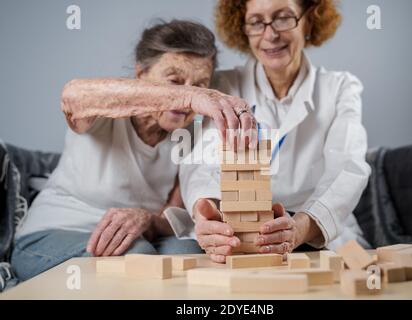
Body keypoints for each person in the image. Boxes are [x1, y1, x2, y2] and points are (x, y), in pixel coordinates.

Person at [11, 20, 255, 281]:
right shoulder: (103, 109)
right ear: (141, 74)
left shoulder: (191, 135)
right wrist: (188, 96)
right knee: (137, 260)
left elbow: (169, 215)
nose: (188, 97)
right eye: (175, 80)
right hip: (53, 232)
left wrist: (147, 219)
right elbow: (71, 95)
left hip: (139, 234)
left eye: (199, 84)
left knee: (188, 253)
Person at [180, 0, 371, 263]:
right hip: (238, 232)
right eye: (257, 22)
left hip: (317, 230)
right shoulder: (222, 85)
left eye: (283, 18)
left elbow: (347, 168)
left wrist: (302, 227)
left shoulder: (339, 88)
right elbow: (200, 164)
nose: (270, 34)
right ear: (242, 29)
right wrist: (208, 212)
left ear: (309, 20)